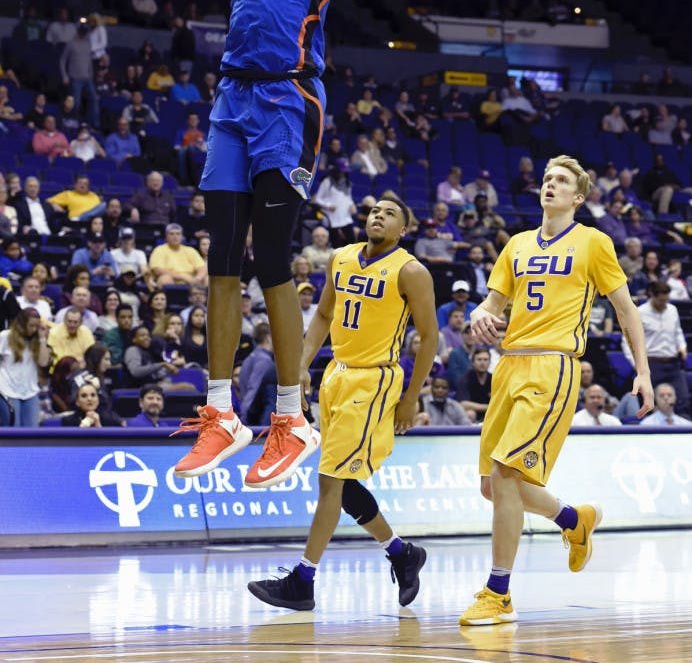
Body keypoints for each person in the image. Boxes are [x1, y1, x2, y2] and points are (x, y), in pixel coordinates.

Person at [170, 0, 356, 487]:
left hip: (288, 99)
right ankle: (221, 412)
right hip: (232, 98)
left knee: (272, 258)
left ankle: (291, 416)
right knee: (221, 255)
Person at [459, 154, 654, 626]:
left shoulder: (593, 242)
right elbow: (490, 304)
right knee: (492, 487)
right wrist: (478, 315)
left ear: (579, 197)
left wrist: (643, 372)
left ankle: (498, 593)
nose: (551, 185)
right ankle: (574, 519)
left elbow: (627, 311)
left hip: (554, 365)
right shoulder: (517, 245)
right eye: (547, 179)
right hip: (509, 364)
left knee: (506, 474)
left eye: (562, 180)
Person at [247, 194, 437, 611]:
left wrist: (411, 399)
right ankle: (402, 553)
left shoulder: (411, 271)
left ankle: (303, 580)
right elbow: (321, 317)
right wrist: (301, 363)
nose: (378, 217)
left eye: (390, 214)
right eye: (374, 211)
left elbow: (430, 338)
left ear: (403, 229)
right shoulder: (341, 257)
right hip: (336, 373)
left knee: (331, 481)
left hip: (374, 380)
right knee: (340, 482)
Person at [622, 280, 689, 417]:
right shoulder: (639, 313)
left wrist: (682, 347)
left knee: (683, 401)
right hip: (651, 363)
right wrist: (636, 364)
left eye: (666, 300)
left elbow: (677, 332)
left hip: (672, 363)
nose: (663, 303)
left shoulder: (672, 310)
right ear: (651, 294)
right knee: (649, 403)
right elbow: (627, 340)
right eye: (660, 300)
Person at [0, 308, 50, 426]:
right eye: (31, 325)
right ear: (22, 324)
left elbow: (43, 363)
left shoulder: (38, 339)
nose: (33, 329)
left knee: (32, 434)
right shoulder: (5, 336)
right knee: (13, 432)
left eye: (36, 326)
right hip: (8, 390)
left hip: (30, 392)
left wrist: (43, 338)